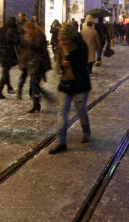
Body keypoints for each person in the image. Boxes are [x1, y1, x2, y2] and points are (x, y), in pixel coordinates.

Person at [49, 23, 92, 154]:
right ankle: (62, 142)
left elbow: (81, 64)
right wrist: (62, 62)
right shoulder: (61, 46)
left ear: (72, 37)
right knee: (62, 112)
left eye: (65, 38)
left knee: (81, 111)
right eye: (62, 39)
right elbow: (60, 67)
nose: (63, 41)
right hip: (66, 83)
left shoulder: (81, 46)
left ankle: (86, 132)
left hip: (80, 83)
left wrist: (68, 56)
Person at [19, 21, 53, 113]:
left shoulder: (39, 35)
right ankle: (37, 104)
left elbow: (37, 48)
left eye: (27, 30)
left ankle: (45, 98)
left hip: (39, 63)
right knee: (34, 84)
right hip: (35, 63)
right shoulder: (34, 35)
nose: (26, 32)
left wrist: (28, 40)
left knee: (34, 84)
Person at [0, 17, 19, 99]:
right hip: (9, 54)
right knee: (5, 71)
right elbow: (16, 41)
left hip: (1, 53)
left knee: (6, 70)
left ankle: (9, 87)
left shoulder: (2, 29)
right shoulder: (14, 31)